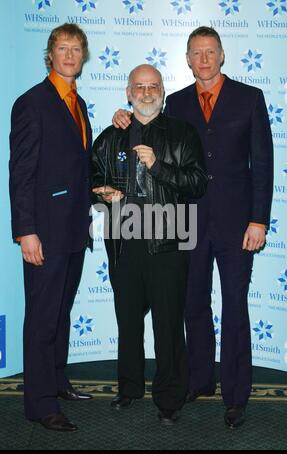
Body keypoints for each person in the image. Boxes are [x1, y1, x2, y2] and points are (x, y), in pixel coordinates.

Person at [112, 27, 273, 428]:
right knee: (192, 304)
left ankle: (236, 395)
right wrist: (123, 117)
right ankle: (199, 379)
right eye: (196, 53)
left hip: (238, 224)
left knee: (234, 306)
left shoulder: (250, 99)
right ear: (186, 59)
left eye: (210, 52)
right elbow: (147, 126)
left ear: (222, 56)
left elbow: (263, 165)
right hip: (186, 221)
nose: (203, 59)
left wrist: (259, 219)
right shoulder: (177, 102)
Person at [91, 64, 208, 425]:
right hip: (124, 239)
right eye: (138, 87)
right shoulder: (111, 135)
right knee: (127, 321)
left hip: (168, 240)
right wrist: (103, 192)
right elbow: (94, 176)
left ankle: (170, 399)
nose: (145, 93)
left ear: (162, 91)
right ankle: (129, 388)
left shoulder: (182, 132)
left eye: (152, 86)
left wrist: (158, 166)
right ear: (128, 92)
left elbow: (197, 183)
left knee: (168, 324)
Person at [9, 23, 93, 432]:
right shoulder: (32, 103)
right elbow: (20, 172)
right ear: (50, 54)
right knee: (41, 317)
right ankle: (40, 404)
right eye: (63, 48)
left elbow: (76, 169)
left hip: (75, 230)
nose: (70, 55)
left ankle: (58, 381)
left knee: (60, 313)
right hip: (44, 231)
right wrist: (26, 230)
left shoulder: (78, 104)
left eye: (77, 49)